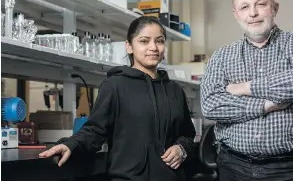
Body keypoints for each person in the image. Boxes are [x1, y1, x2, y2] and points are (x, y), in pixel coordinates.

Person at [39, 16, 196, 181]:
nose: (153, 47)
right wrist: (70, 144)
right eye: (144, 41)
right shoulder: (115, 86)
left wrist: (181, 149)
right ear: (129, 46)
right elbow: (94, 131)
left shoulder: (175, 90)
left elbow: (187, 134)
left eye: (159, 41)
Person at [201, 0, 293, 181]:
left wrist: (244, 88)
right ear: (236, 14)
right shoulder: (221, 56)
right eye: (244, 7)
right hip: (234, 166)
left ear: (275, 8)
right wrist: (266, 105)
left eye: (261, 4)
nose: (253, 13)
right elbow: (211, 105)